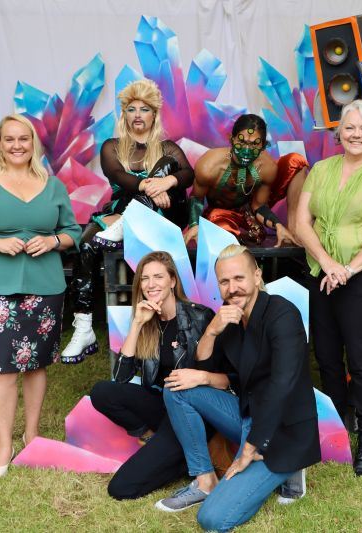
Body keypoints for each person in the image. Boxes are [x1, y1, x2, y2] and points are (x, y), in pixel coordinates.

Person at [156, 245, 320, 532]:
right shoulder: (230, 319)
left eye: (239, 278)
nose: (232, 288)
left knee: (212, 519)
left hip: (279, 430)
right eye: (224, 281)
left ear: (257, 276)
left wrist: (248, 450)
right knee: (177, 387)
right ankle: (205, 479)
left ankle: (289, 469)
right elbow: (205, 368)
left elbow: (282, 386)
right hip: (246, 414)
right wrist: (212, 330)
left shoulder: (282, 315)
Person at [0, 114, 82, 477]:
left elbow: (72, 230)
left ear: (33, 143)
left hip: (46, 285)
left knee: (37, 364)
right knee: (4, 367)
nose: (17, 146)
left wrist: (55, 240)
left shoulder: (53, 185)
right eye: (9, 139)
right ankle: (4, 445)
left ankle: (33, 433)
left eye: (23, 139)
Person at [294, 99, 362, 477]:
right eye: (350, 127)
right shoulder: (321, 170)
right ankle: (336, 423)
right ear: (338, 132)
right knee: (324, 352)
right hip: (321, 271)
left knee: (359, 357)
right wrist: (327, 263)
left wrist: (348, 269)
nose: (356, 134)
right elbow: (301, 221)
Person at [61, 79, 195, 363]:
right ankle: (83, 327)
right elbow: (118, 176)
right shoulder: (112, 147)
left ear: (153, 115)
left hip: (168, 212)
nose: (137, 115)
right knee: (86, 245)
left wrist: (166, 182)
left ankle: (128, 220)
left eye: (144, 109)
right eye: (131, 109)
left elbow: (188, 176)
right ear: (125, 114)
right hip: (124, 205)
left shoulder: (167, 147)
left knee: (167, 164)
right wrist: (150, 188)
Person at [89, 251, 227, 499]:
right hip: (162, 404)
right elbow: (121, 378)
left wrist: (198, 378)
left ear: (173, 281)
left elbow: (223, 379)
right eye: (144, 279)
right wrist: (137, 324)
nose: (151, 284)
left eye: (158, 277)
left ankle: (183, 459)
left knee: (121, 488)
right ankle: (155, 439)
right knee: (102, 392)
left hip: (192, 413)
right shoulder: (147, 320)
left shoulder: (200, 317)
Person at [183, 114, 307, 247]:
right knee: (223, 228)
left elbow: (259, 205)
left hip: (249, 212)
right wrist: (194, 225)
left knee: (296, 161)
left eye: (254, 144)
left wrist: (278, 226)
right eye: (242, 142)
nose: (247, 151)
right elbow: (196, 197)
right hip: (219, 214)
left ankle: (294, 234)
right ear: (232, 139)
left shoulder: (266, 167)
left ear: (263, 146)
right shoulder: (209, 166)